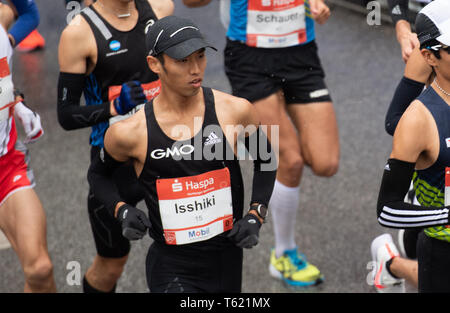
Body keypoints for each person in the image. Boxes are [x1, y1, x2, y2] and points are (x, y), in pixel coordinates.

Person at [87, 15, 277, 293]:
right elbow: (97, 174)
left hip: (227, 260)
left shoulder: (236, 110)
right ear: (155, 65)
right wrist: (122, 209)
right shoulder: (130, 132)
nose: (195, 69)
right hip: (172, 267)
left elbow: (266, 158)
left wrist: (255, 213)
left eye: (200, 57)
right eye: (182, 60)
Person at [183, 0, 339, 287]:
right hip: (250, 58)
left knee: (326, 162)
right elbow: (190, 3)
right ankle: (284, 254)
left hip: (300, 52)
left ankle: (250, 131)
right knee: (288, 160)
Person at [57, 0, 173, 293]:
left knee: (184, 250)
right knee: (111, 265)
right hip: (113, 166)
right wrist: (114, 107)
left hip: (165, 155)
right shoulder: (78, 33)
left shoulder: (161, 9)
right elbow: (66, 115)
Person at [376, 0, 450, 292]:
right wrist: (427, 147)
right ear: (430, 56)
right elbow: (395, 122)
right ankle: (391, 263)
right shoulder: (418, 118)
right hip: (438, 239)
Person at [0, 1, 54, 292]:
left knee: (40, 269)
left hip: (5, 165)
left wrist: (15, 101)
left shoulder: (3, 20)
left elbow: (30, 14)